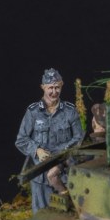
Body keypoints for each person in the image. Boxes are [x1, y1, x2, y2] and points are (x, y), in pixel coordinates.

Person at [16, 68, 84, 212]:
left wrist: (61, 155)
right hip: (40, 178)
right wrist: (37, 150)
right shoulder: (33, 112)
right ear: (43, 87)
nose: (54, 92)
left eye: (57, 87)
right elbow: (21, 140)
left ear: (62, 86)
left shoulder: (70, 111)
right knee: (40, 216)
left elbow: (79, 138)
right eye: (50, 88)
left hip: (64, 174)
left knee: (68, 214)